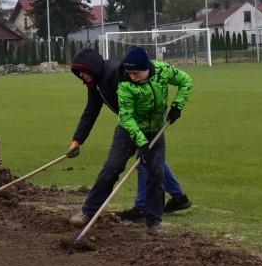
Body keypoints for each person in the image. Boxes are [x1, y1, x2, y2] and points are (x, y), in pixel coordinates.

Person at [70, 46, 192, 235]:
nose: (131, 76)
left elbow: (185, 81)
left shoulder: (162, 71)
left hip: (155, 130)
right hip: (128, 130)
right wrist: (140, 142)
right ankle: (88, 211)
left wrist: (178, 105)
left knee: (156, 174)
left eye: (135, 73)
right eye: (129, 73)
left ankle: (153, 221)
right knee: (111, 169)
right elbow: (125, 117)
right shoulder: (125, 85)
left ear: (146, 68)